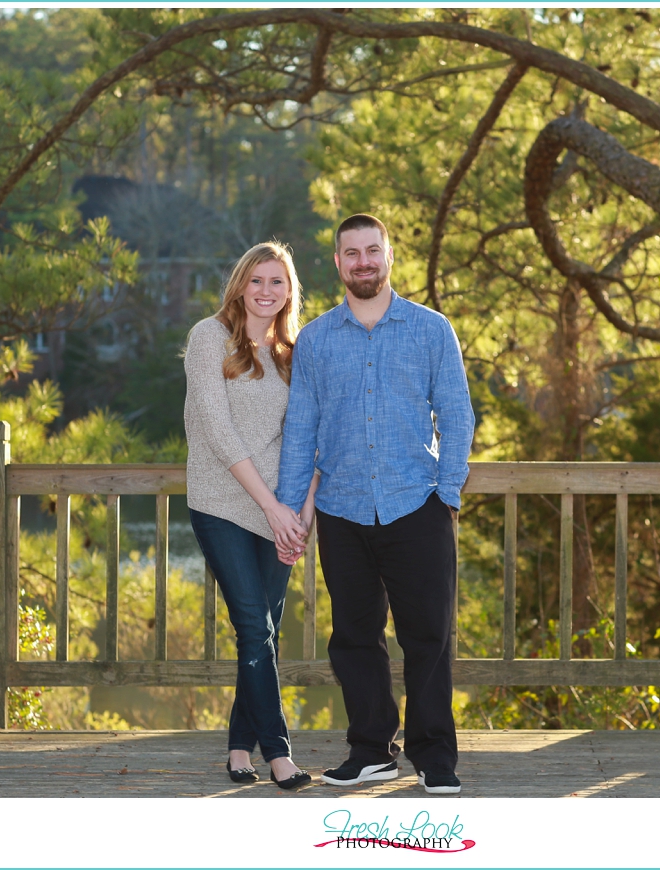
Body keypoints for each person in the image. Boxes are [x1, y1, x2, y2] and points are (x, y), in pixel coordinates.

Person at [276, 214, 475, 795]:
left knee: (428, 639)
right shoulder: (315, 339)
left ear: (389, 256)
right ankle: (371, 751)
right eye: (351, 253)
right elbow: (301, 431)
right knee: (354, 638)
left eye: (372, 251)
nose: (363, 261)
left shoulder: (431, 330)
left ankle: (435, 758)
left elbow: (457, 415)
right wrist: (293, 511)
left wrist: (448, 494)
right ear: (338, 263)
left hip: (418, 507)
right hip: (341, 511)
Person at [183, 240, 317, 790]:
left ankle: (240, 748)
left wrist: (300, 513)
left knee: (265, 631)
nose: (266, 291)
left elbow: (309, 435)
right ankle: (279, 753)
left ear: (290, 292)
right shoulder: (208, 337)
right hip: (222, 500)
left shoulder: (295, 351)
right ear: (240, 283)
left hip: (282, 509)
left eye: (277, 282)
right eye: (257, 280)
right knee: (253, 628)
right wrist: (272, 507)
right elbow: (218, 431)